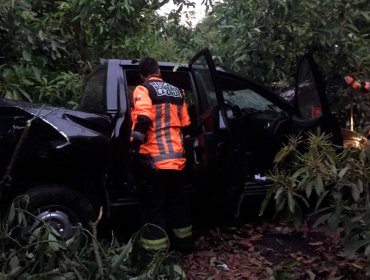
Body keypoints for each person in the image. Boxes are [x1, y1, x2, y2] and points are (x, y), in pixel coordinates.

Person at [129, 57, 193, 258]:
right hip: (177, 161)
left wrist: (133, 148)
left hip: (153, 162)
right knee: (178, 203)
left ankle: (155, 255)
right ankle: (185, 245)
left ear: (142, 74)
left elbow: (143, 119)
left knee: (153, 206)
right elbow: (186, 125)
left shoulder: (143, 89)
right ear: (158, 71)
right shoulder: (178, 92)